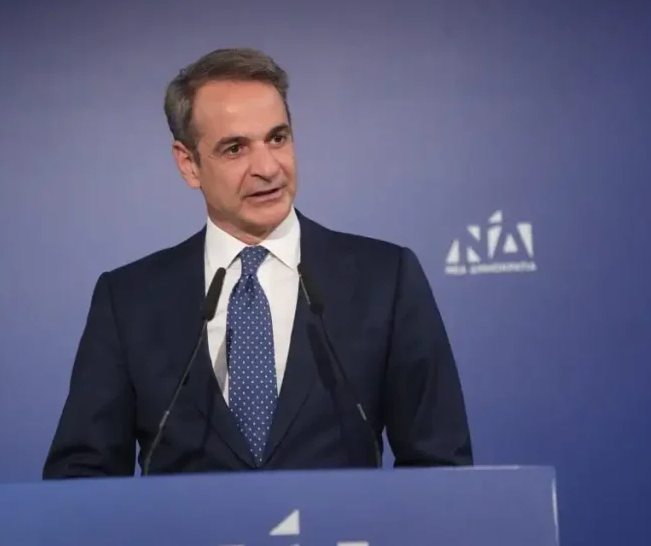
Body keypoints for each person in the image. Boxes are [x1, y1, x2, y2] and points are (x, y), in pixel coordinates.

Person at [42, 48, 472, 478]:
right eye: (235, 148)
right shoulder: (129, 300)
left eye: (277, 138)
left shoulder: (386, 279)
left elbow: (439, 466)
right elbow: (81, 477)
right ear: (189, 164)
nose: (267, 168)